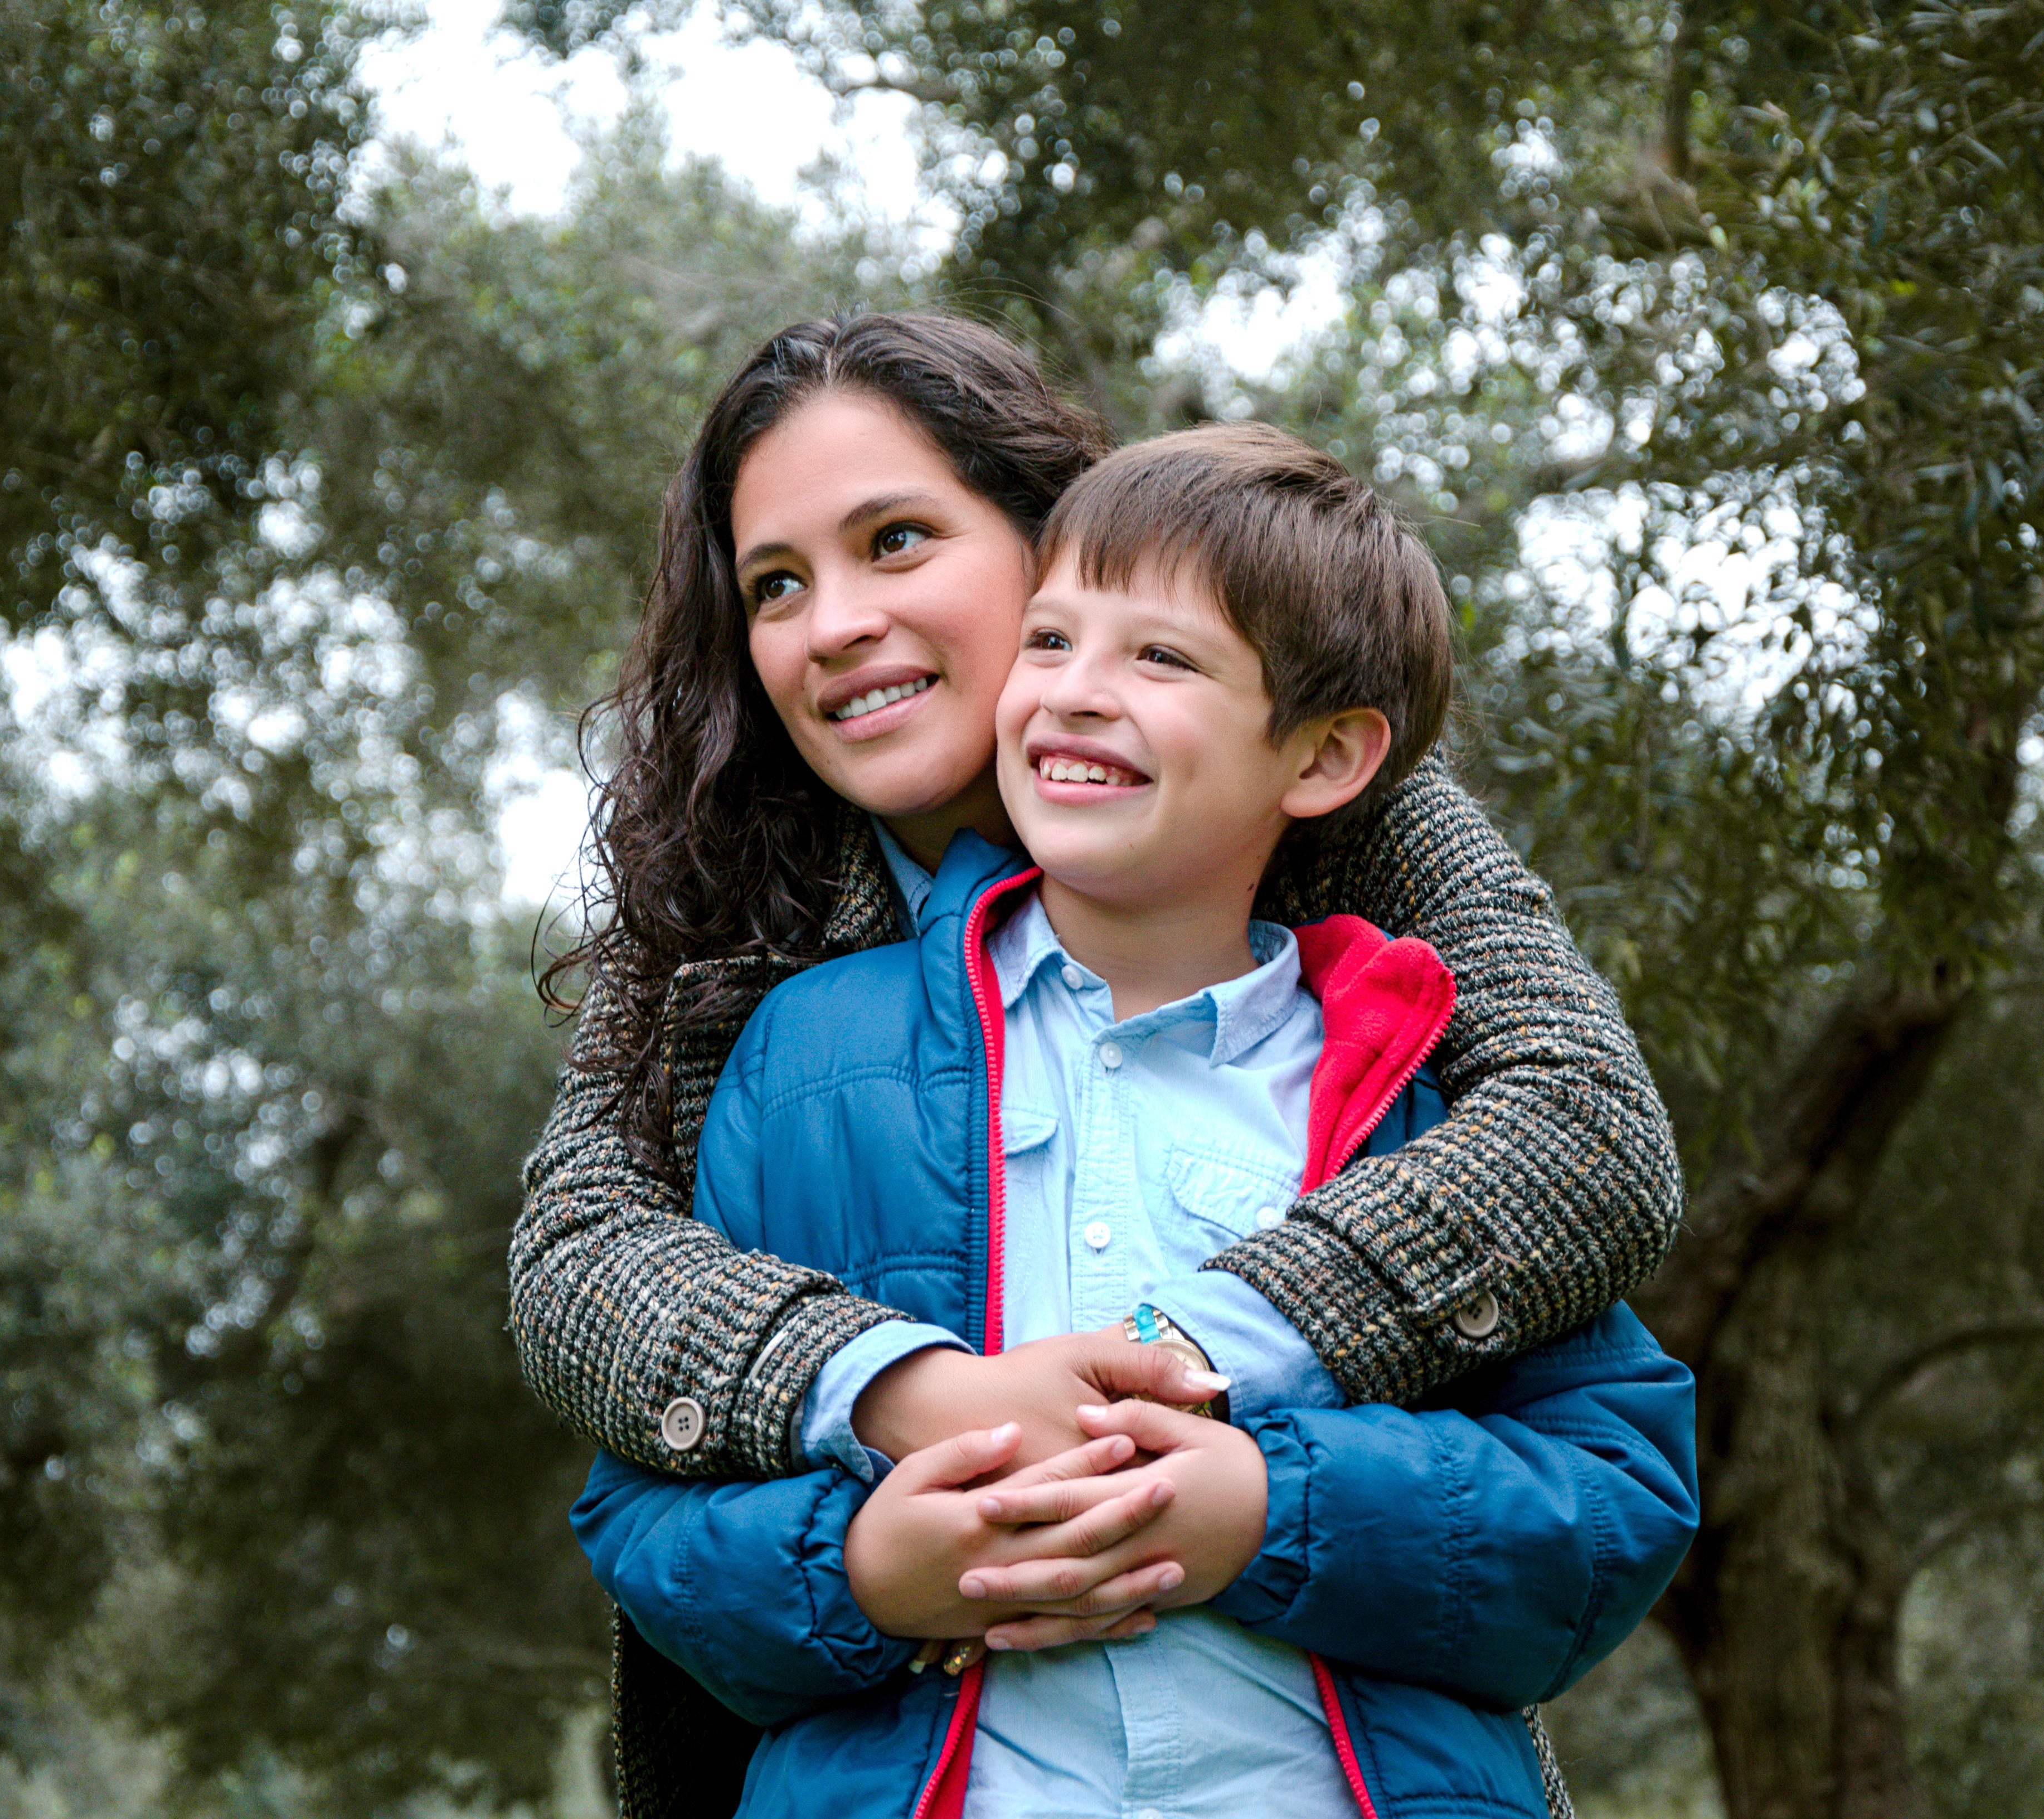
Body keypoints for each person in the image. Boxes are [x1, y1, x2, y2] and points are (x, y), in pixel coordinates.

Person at [511, 313, 1684, 1816]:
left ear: (1050, 533)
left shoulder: (1337, 804)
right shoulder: (744, 934)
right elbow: (580, 1263)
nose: (835, 624)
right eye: (777, 587)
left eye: (898, 540)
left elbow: (1583, 1132)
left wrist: (1193, 1381)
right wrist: (909, 1402)